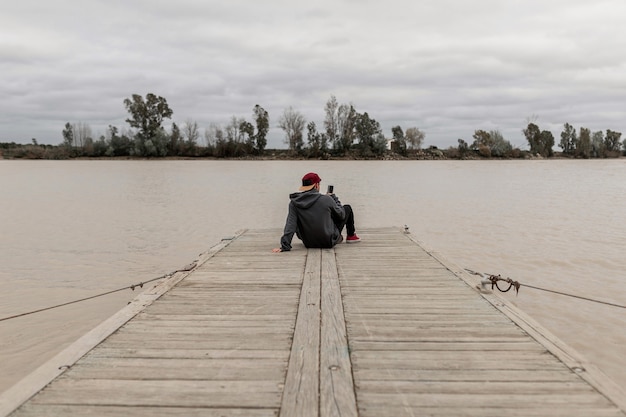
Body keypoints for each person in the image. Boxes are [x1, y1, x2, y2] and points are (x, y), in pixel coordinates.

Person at [272, 172, 360, 253]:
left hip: (308, 243)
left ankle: (327, 235)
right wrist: (334, 198)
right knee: (346, 208)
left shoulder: (294, 203)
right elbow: (342, 215)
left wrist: (284, 246)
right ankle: (351, 236)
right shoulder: (326, 199)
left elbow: (290, 225)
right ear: (316, 185)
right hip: (328, 241)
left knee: (299, 218)